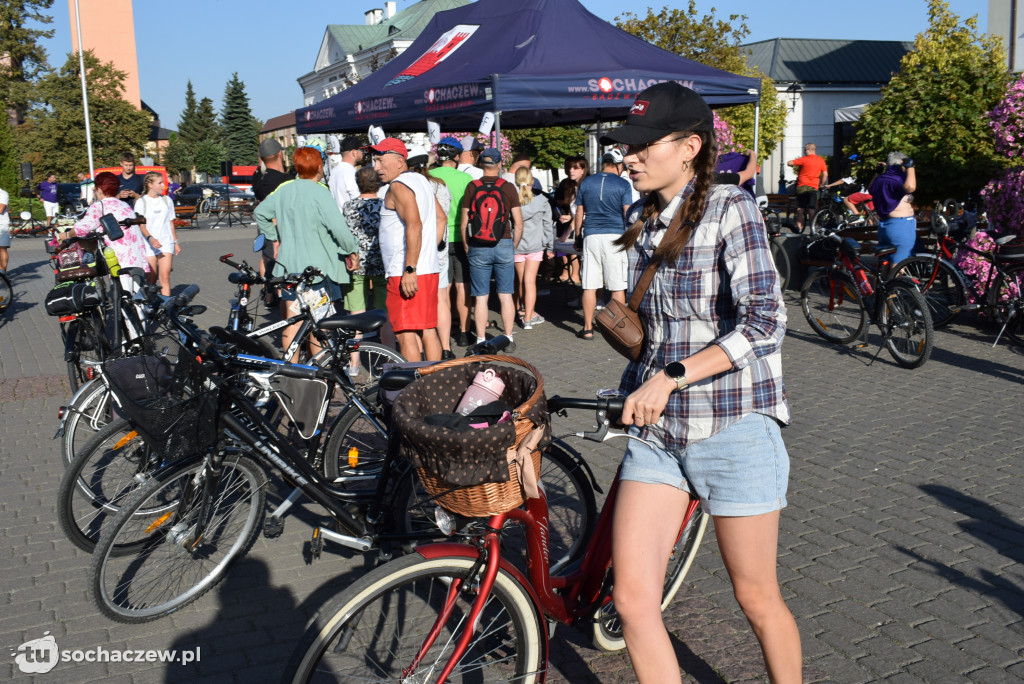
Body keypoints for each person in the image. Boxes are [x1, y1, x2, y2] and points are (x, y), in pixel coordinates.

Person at [602, 81, 801, 684]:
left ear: (690, 146)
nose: (628, 156)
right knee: (633, 601)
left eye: (642, 145)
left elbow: (767, 321)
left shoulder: (729, 207)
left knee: (756, 597)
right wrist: (630, 390)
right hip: (661, 434)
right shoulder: (643, 216)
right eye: (624, 146)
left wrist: (670, 376)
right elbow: (656, 334)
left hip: (733, 424)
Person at [254, 146, 360, 362]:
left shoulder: (285, 190)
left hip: (289, 268)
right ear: (320, 167)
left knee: (292, 323)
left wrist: (273, 238)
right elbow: (339, 228)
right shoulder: (320, 191)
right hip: (315, 272)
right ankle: (319, 376)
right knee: (319, 327)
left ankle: (292, 375)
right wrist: (352, 251)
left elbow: (260, 212)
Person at [371, 137, 445, 361]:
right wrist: (426, 254)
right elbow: (440, 218)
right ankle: (434, 384)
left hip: (406, 271)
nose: (376, 168)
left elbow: (415, 224)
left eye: (381, 161)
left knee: (405, 333)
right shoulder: (421, 180)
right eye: (375, 161)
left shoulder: (398, 186)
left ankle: (416, 389)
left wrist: (411, 268)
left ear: (400, 161)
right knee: (428, 329)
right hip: (426, 269)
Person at [460, 147, 523, 344]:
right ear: (499, 165)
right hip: (503, 243)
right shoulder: (508, 187)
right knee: (505, 295)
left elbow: (464, 222)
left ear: (481, 164)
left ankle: (480, 339)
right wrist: (512, 244)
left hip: (478, 245)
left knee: (481, 297)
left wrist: (467, 244)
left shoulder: (472, 186)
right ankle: (508, 337)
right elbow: (518, 223)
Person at [573, 152, 632, 341]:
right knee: (617, 286)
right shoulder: (623, 184)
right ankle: (618, 328)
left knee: (589, 285)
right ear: (617, 165)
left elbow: (579, 212)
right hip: (615, 235)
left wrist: (577, 237)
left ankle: (588, 327)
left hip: (591, 235)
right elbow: (627, 213)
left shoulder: (587, 183)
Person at [62, 171, 150, 289]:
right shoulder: (124, 205)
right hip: (137, 255)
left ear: (99, 189)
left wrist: (67, 234)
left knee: (125, 293)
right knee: (138, 294)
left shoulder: (100, 206)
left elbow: (81, 229)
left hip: (119, 258)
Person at [407, 146, 455, 360]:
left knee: (416, 304)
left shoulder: (408, 187)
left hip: (418, 253)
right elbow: (443, 217)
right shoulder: (440, 186)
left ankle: (417, 350)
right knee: (442, 299)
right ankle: (445, 347)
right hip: (439, 250)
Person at [342, 165, 389, 376]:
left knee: (356, 315)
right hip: (382, 262)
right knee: (385, 313)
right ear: (377, 183)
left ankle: (353, 363)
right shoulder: (385, 205)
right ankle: (388, 359)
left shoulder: (349, 206)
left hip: (356, 262)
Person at [430, 137, 474, 347]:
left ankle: (443, 337)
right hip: (460, 238)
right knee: (463, 286)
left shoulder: (428, 176)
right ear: (456, 156)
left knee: (442, 290)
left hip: (438, 238)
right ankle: (465, 332)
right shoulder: (465, 179)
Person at [252, 137, 295, 305]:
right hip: (279, 227)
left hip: (263, 225)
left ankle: (269, 294)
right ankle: (280, 295)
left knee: (266, 257)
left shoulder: (259, 178)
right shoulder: (285, 180)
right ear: (279, 154)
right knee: (279, 262)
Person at [513, 166, 552, 330]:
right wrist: (550, 246)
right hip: (536, 245)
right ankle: (529, 318)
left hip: (517, 245)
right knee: (530, 282)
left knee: (522, 281)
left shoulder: (513, 202)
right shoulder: (542, 201)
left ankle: (524, 311)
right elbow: (548, 226)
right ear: (531, 181)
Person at [134, 172, 180, 295]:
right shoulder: (141, 202)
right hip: (148, 243)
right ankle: (151, 306)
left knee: (164, 277)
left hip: (166, 242)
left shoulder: (166, 200)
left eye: (163, 182)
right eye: (159, 183)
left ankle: (167, 305)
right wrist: (150, 238)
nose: (163, 185)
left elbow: (170, 223)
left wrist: (175, 242)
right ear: (150, 184)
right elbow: (141, 224)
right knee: (151, 279)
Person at [868, 153, 918, 265]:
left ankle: (884, 283)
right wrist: (911, 167)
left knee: (884, 265)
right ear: (902, 164)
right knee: (899, 265)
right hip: (901, 226)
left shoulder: (881, 179)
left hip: (885, 226)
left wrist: (878, 172)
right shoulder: (897, 179)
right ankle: (895, 283)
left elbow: (870, 189)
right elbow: (910, 187)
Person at [553, 155, 589, 285]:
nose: (571, 170)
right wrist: (566, 233)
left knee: (590, 267)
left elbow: (582, 213)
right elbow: (577, 213)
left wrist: (566, 233)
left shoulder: (587, 185)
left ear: (583, 170)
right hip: (579, 227)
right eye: (569, 167)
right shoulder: (571, 185)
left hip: (590, 230)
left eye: (575, 168)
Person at [786, 143, 827, 231]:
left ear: (809, 150)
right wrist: (821, 184)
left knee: (800, 207)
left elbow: (789, 163)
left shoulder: (804, 159)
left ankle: (799, 228)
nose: (804, 152)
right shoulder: (821, 160)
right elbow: (825, 174)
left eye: (805, 150)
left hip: (801, 186)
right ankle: (812, 229)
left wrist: (791, 164)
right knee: (812, 208)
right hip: (814, 187)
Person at [329, 136, 364, 210]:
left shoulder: (334, 171)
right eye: (361, 150)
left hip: (338, 217)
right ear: (354, 152)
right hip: (350, 219)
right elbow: (357, 199)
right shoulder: (350, 172)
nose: (363, 153)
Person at [0, 185, 10, 272]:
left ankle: (3, 272)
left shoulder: (3, 194)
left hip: (2, 224)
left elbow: (1, 209)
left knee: (2, 248)